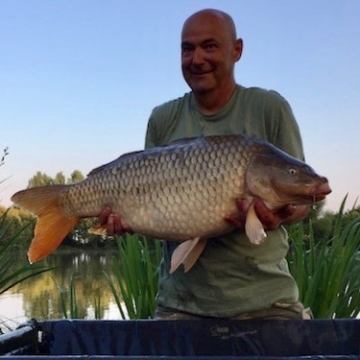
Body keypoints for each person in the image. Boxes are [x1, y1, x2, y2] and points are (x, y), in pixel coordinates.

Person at [99, 9, 311, 319]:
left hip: (267, 303)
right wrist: (125, 219)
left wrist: (283, 212)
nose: (197, 59)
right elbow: (150, 208)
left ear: (236, 50)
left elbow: (301, 194)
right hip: (179, 304)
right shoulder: (163, 118)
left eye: (210, 46)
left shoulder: (270, 109)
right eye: (188, 49)